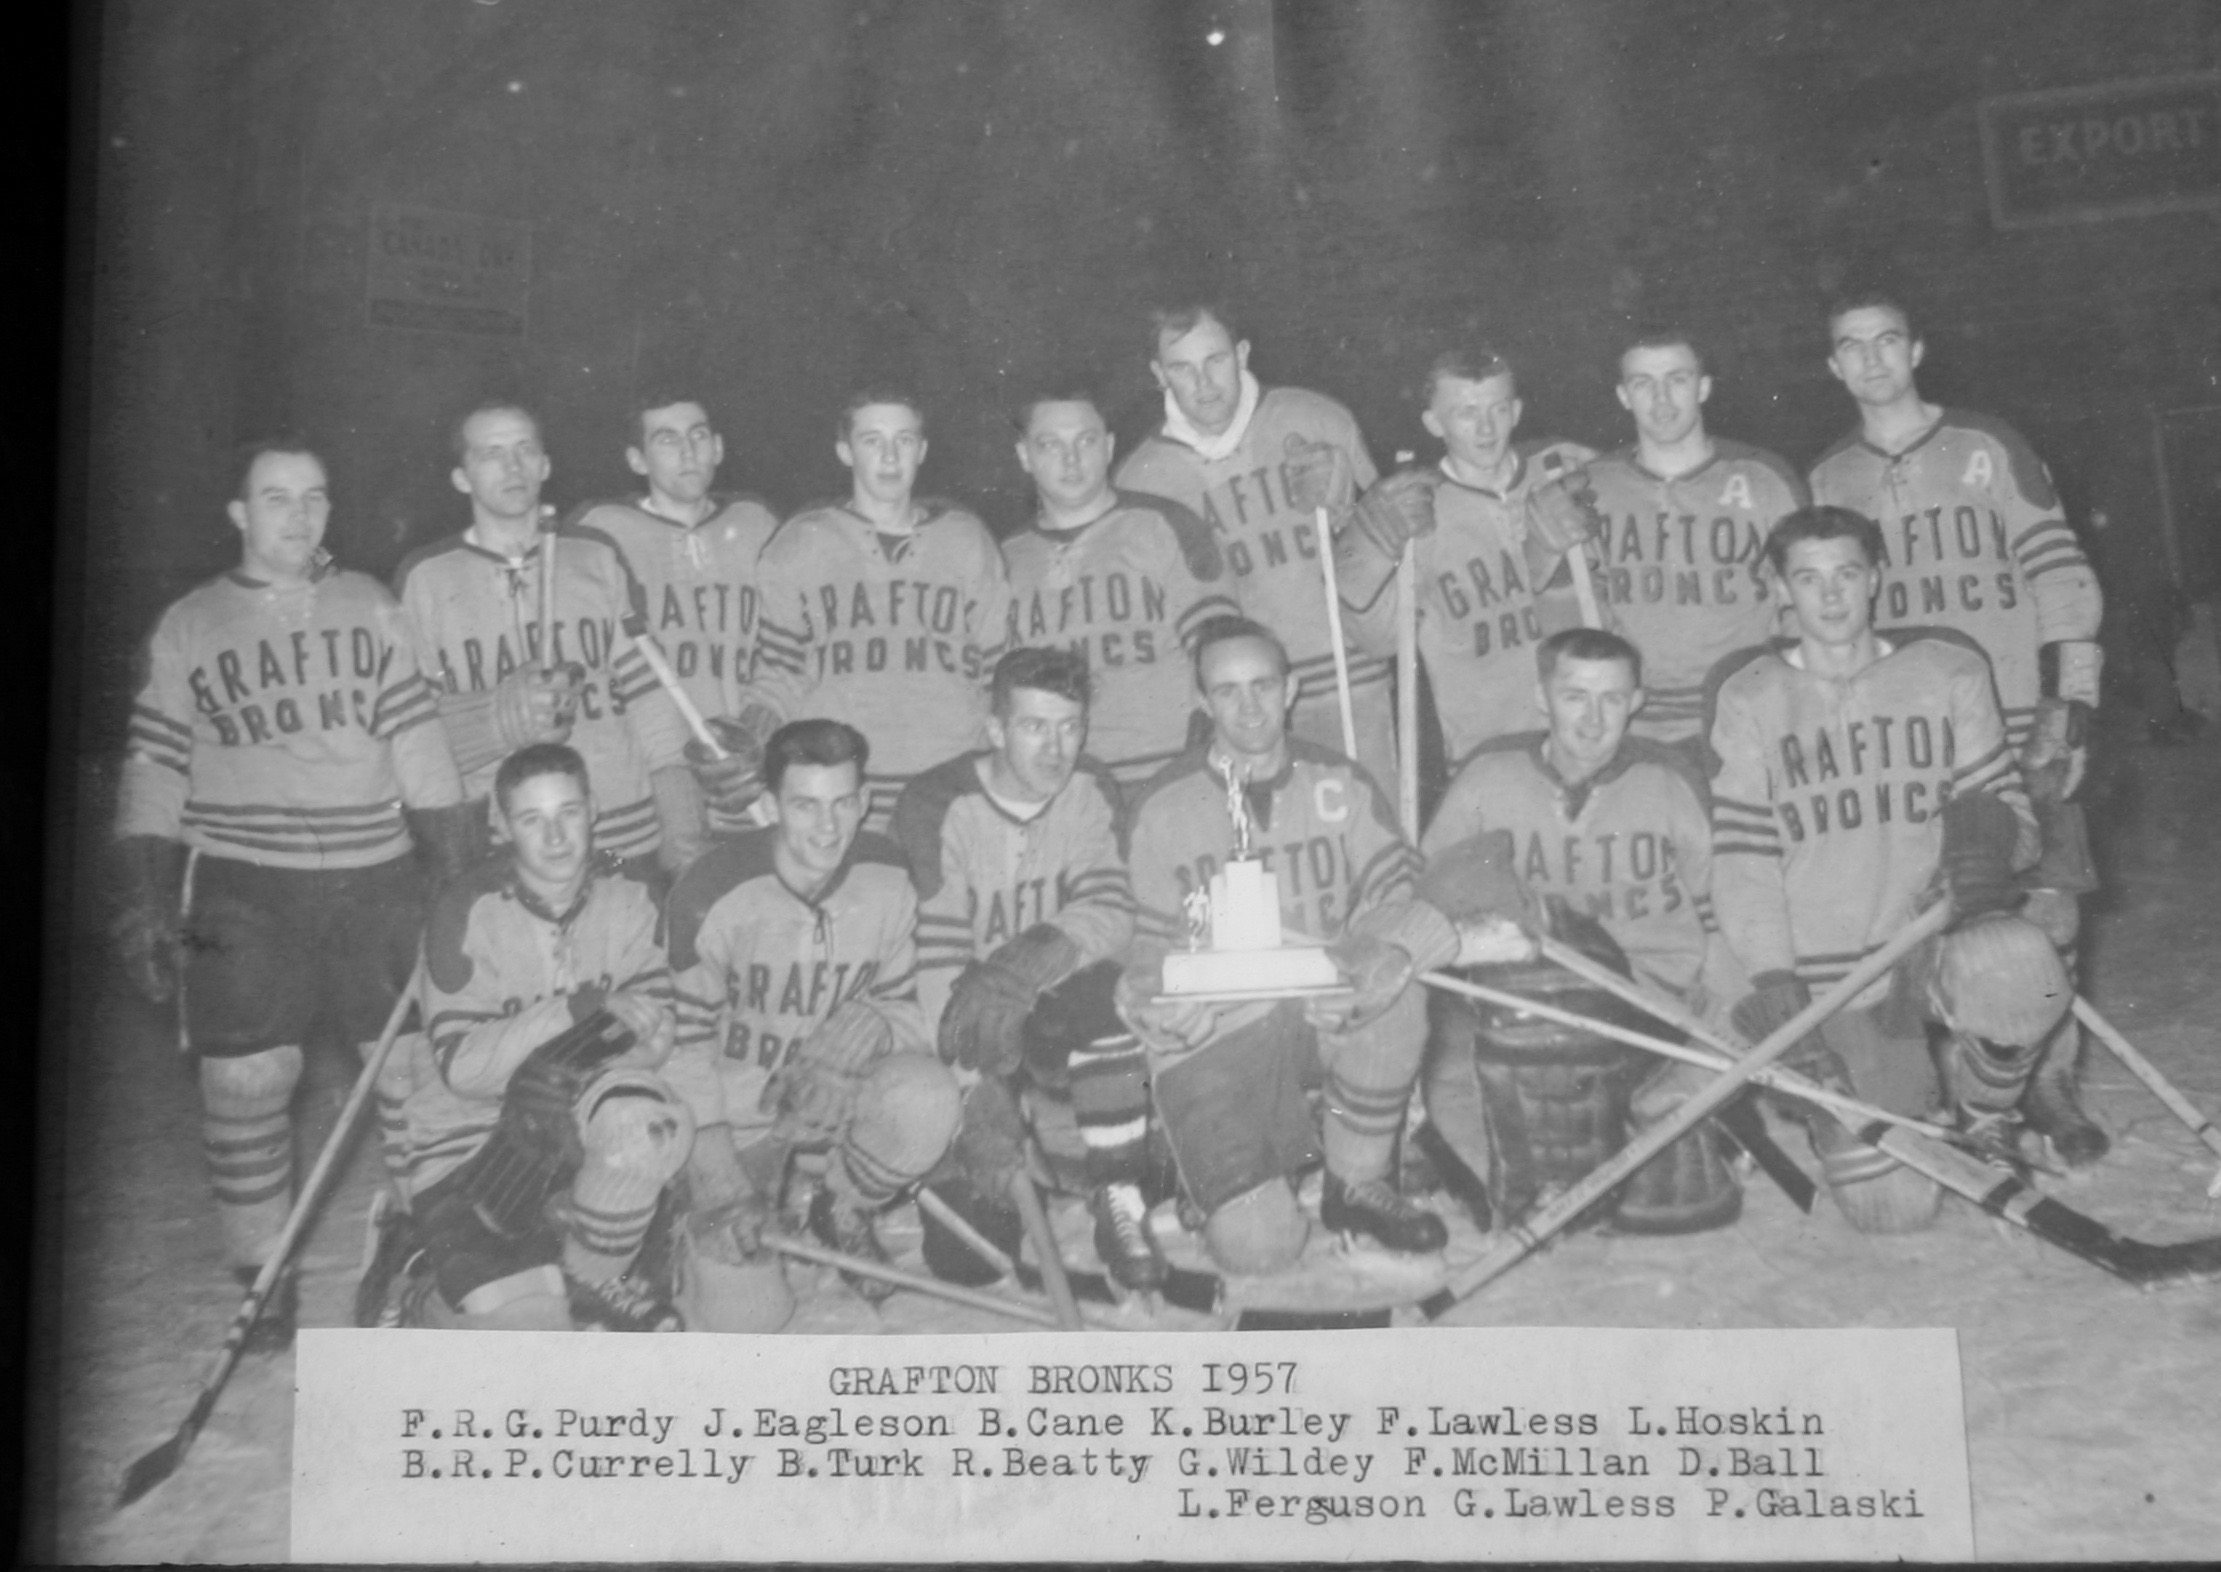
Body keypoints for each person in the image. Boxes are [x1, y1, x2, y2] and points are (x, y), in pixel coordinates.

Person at [112, 439, 470, 1346]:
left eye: (314, 497)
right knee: (248, 1077)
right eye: (277, 498)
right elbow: (154, 765)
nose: (299, 516)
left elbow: (419, 746)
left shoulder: (371, 604)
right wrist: (146, 894)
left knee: (413, 1071)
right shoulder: (189, 622)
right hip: (241, 880)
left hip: (374, 871)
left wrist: (459, 873)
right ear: (239, 513)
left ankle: (425, 1247)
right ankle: (261, 1280)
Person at [1707, 505, 2071, 1232]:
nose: (1831, 596)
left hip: (1920, 948)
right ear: (1780, 590)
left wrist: (1985, 848)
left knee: (2018, 960)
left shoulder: (1946, 671)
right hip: (1823, 975)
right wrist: (1777, 984)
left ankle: (1985, 1117)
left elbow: (2017, 823)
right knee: (1892, 1211)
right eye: (1808, 579)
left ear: (1875, 576)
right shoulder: (1749, 695)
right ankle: (1855, 1103)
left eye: (1846, 573)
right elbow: (1743, 862)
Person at [1808, 293, 2108, 1165]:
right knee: (1927, 915)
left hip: (2017, 715)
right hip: (1909, 732)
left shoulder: (1985, 444)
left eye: (1886, 342)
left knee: (2043, 907)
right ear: (1832, 366)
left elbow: (2062, 577)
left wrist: (2070, 705)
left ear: (1917, 350)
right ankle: (1960, 1090)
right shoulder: (1828, 475)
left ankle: (2048, 1085)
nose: (1870, 362)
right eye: (1850, 348)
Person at [1116, 616, 1510, 1275]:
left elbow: (1396, 895)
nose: (1248, 708)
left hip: (1314, 1010)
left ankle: (1354, 1179)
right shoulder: (1163, 804)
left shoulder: (1338, 780)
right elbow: (1143, 948)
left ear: (1292, 688)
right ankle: (1218, 1171)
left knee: (1398, 988)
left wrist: (1371, 964)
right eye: (1227, 691)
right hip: (1215, 1029)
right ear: (1201, 701)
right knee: (1259, 1248)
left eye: (1263, 686)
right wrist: (1154, 1003)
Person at [1420, 627, 1750, 1234]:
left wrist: (1715, 1039)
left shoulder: (1670, 780)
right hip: (1535, 1003)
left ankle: (1667, 1105)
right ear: (1542, 698)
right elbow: (1433, 892)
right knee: (1507, 1058)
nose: (1594, 720)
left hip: (1654, 1000)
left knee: (1671, 1165)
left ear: (1638, 702)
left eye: (1613, 699)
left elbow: (1727, 915)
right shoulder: (1490, 775)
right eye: (1575, 697)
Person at [391, 744, 699, 1332]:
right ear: (500, 826)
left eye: (569, 813)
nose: (556, 838)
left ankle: (593, 1277)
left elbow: (657, 1036)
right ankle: (418, 1287)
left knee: (643, 1120)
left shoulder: (631, 893)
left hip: (575, 1133)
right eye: (533, 820)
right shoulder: (465, 908)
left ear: (594, 809)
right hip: (470, 1147)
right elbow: (464, 1070)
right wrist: (581, 1011)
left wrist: (581, 1064)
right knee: (529, 1330)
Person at [662, 719, 960, 1305]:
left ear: (865, 801)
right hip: (739, 1117)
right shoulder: (709, 893)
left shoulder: (889, 877)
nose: (828, 828)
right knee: (750, 1320)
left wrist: (879, 1023)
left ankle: (838, 1202)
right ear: (770, 805)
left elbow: (913, 1008)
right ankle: (695, 1219)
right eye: (805, 806)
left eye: (843, 804)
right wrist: (719, 1176)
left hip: (837, 1102)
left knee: (928, 1098)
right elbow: (682, 1052)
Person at [890, 647, 1160, 1288]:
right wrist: (971, 1090)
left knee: (1108, 1002)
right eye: (1035, 727)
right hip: (959, 1014)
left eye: (1070, 727)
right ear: (994, 730)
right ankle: (1011, 1151)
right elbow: (935, 958)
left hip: (1046, 999)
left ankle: (1119, 1197)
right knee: (971, 1261)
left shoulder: (1089, 788)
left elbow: (1112, 908)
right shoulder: (935, 802)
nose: (1055, 749)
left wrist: (1037, 957)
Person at [1112, 304, 1427, 802]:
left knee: (1369, 844)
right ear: (1158, 374)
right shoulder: (1140, 479)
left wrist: (1351, 512)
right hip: (1241, 701)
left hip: (1347, 681)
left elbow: (1392, 569)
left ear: (1242, 353)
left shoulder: (1316, 419)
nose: (1204, 382)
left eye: (1215, 360)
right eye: (1182, 368)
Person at [394, 402, 703, 883]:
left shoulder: (596, 555)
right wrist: (498, 718)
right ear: (461, 477)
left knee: (632, 951)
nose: (513, 466)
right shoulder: (427, 579)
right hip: (507, 845)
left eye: (525, 450)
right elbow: (415, 740)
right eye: (491, 453)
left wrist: (681, 828)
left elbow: (651, 698)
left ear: (545, 465)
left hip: (619, 838)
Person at [751, 391, 1009, 833]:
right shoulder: (800, 543)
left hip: (948, 781)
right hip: (839, 787)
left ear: (922, 450)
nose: (890, 456)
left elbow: (998, 672)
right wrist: (753, 730)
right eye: (872, 441)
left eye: (904, 440)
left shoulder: (967, 540)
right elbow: (778, 672)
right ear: (845, 451)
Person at [1335, 346, 1602, 768]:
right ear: (1433, 422)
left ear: (1516, 411)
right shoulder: (1416, 508)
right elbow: (1378, 640)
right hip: (1487, 751)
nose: (1485, 428)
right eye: (1465, 414)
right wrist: (1366, 545)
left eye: (1497, 410)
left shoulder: (1556, 477)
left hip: (1588, 733)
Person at [564, 393, 784, 836]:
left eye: (698, 436)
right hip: (653, 780)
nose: (688, 452)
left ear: (718, 448)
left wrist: (763, 724)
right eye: (666, 440)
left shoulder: (757, 523)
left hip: (745, 767)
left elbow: (788, 648)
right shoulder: (600, 531)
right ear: (637, 460)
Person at [1000, 388, 1239, 790]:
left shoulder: (1167, 526)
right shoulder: (1004, 560)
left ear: (1109, 447)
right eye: (1050, 444)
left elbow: (1220, 657)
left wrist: (1197, 766)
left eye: (1086, 441)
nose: (1070, 459)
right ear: (1024, 455)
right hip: (1061, 789)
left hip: (1167, 774)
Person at [1580, 330, 1806, 753]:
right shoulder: (1593, 487)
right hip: (1637, 727)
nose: (1661, 399)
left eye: (1677, 379)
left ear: (1704, 387)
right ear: (1623, 395)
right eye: (1643, 383)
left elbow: (1801, 606)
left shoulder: (1764, 477)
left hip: (1748, 717)